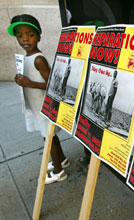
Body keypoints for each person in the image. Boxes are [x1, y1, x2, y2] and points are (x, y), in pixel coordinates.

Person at [8, 14, 70, 184]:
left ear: (39, 36)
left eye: (30, 34)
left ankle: (59, 172)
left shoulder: (39, 60)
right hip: (36, 105)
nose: (25, 39)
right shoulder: (27, 58)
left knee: (49, 138)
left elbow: (53, 86)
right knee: (50, 137)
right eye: (20, 35)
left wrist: (29, 83)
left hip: (44, 106)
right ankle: (62, 159)